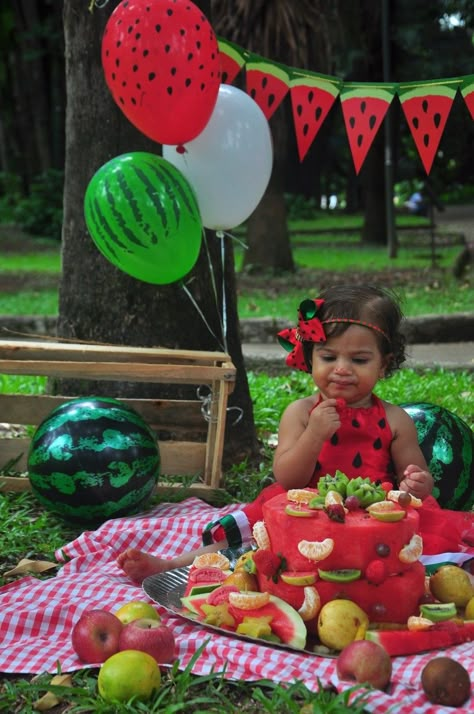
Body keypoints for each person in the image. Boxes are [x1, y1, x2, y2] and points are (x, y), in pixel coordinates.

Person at [117, 284, 436, 583]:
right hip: (301, 509)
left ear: (384, 364)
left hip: (372, 517)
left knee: (418, 553)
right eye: (328, 356)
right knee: (254, 536)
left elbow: (417, 477)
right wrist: (314, 434)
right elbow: (288, 477)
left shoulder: (394, 420)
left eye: (359, 359)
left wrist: (416, 483)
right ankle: (175, 564)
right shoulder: (300, 413)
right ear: (310, 357)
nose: (342, 368)